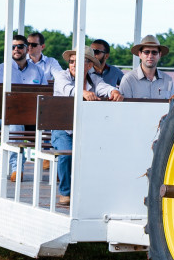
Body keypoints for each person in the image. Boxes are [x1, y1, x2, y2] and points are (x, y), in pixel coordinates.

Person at [50, 49, 122, 204]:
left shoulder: (94, 78)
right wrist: (82, 92)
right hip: (62, 128)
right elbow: (67, 89)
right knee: (66, 154)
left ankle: (92, 191)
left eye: (79, 61)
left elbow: (104, 87)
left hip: (85, 129)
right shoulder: (62, 76)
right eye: (71, 61)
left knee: (102, 151)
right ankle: (65, 192)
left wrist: (114, 91)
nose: (74, 64)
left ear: (89, 65)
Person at [0, 35, 46, 182]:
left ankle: (59, 169)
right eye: (13, 47)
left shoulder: (37, 70)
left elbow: (45, 95)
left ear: (27, 49)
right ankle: (17, 168)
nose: (16, 49)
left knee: (55, 126)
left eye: (20, 46)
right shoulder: (1, 70)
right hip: (8, 115)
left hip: (33, 116)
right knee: (15, 124)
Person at [118, 34, 174, 100]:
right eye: (146, 52)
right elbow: (124, 107)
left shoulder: (168, 80)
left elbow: (172, 107)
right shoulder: (128, 79)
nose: (150, 56)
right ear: (140, 54)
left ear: (160, 55)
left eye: (154, 52)